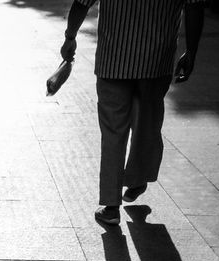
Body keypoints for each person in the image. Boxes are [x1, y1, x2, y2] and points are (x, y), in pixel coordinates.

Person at [60, 0, 206, 227]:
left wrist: (70, 36)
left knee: (113, 132)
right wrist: (192, 51)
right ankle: (138, 177)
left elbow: (81, 3)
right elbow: (194, 6)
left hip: (113, 61)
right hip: (156, 62)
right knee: (147, 124)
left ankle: (111, 206)